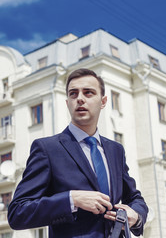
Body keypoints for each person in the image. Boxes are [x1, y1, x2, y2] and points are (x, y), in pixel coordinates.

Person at [8, 68, 148, 237]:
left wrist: (137, 217)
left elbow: (134, 197)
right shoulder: (47, 149)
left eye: (88, 93)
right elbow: (18, 213)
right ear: (67, 103)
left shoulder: (115, 150)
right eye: (73, 94)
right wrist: (71, 200)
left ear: (103, 101)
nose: (80, 99)